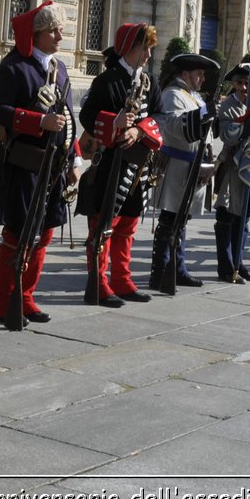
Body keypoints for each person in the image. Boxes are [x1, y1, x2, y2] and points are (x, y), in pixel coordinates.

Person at [0, 2, 80, 329]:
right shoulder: (13, 67)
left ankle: (26, 296)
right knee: (17, 234)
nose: (60, 35)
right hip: (23, 165)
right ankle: (4, 303)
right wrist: (40, 120)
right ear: (36, 33)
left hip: (53, 167)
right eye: (53, 30)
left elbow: (68, 118)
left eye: (60, 29)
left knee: (44, 234)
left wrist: (73, 160)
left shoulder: (61, 69)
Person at [77, 23, 162, 305]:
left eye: (151, 47)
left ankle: (122, 279)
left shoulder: (149, 82)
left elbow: (160, 117)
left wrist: (139, 131)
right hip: (110, 166)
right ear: (129, 48)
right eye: (145, 47)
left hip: (138, 168)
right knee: (102, 226)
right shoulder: (107, 81)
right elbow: (87, 116)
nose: (149, 54)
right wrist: (114, 124)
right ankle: (98, 283)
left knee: (128, 224)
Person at [149, 52, 219, 292]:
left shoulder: (193, 96)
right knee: (169, 221)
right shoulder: (172, 95)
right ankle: (160, 272)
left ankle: (177, 268)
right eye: (198, 74)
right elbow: (172, 126)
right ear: (185, 73)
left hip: (192, 166)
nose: (202, 78)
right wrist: (201, 115)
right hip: (177, 165)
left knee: (181, 222)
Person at [211, 64, 250, 283]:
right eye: (240, 83)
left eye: (247, 83)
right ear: (234, 85)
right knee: (227, 218)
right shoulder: (228, 106)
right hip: (232, 167)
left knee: (245, 218)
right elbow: (228, 135)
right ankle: (226, 267)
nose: (244, 87)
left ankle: (238, 262)